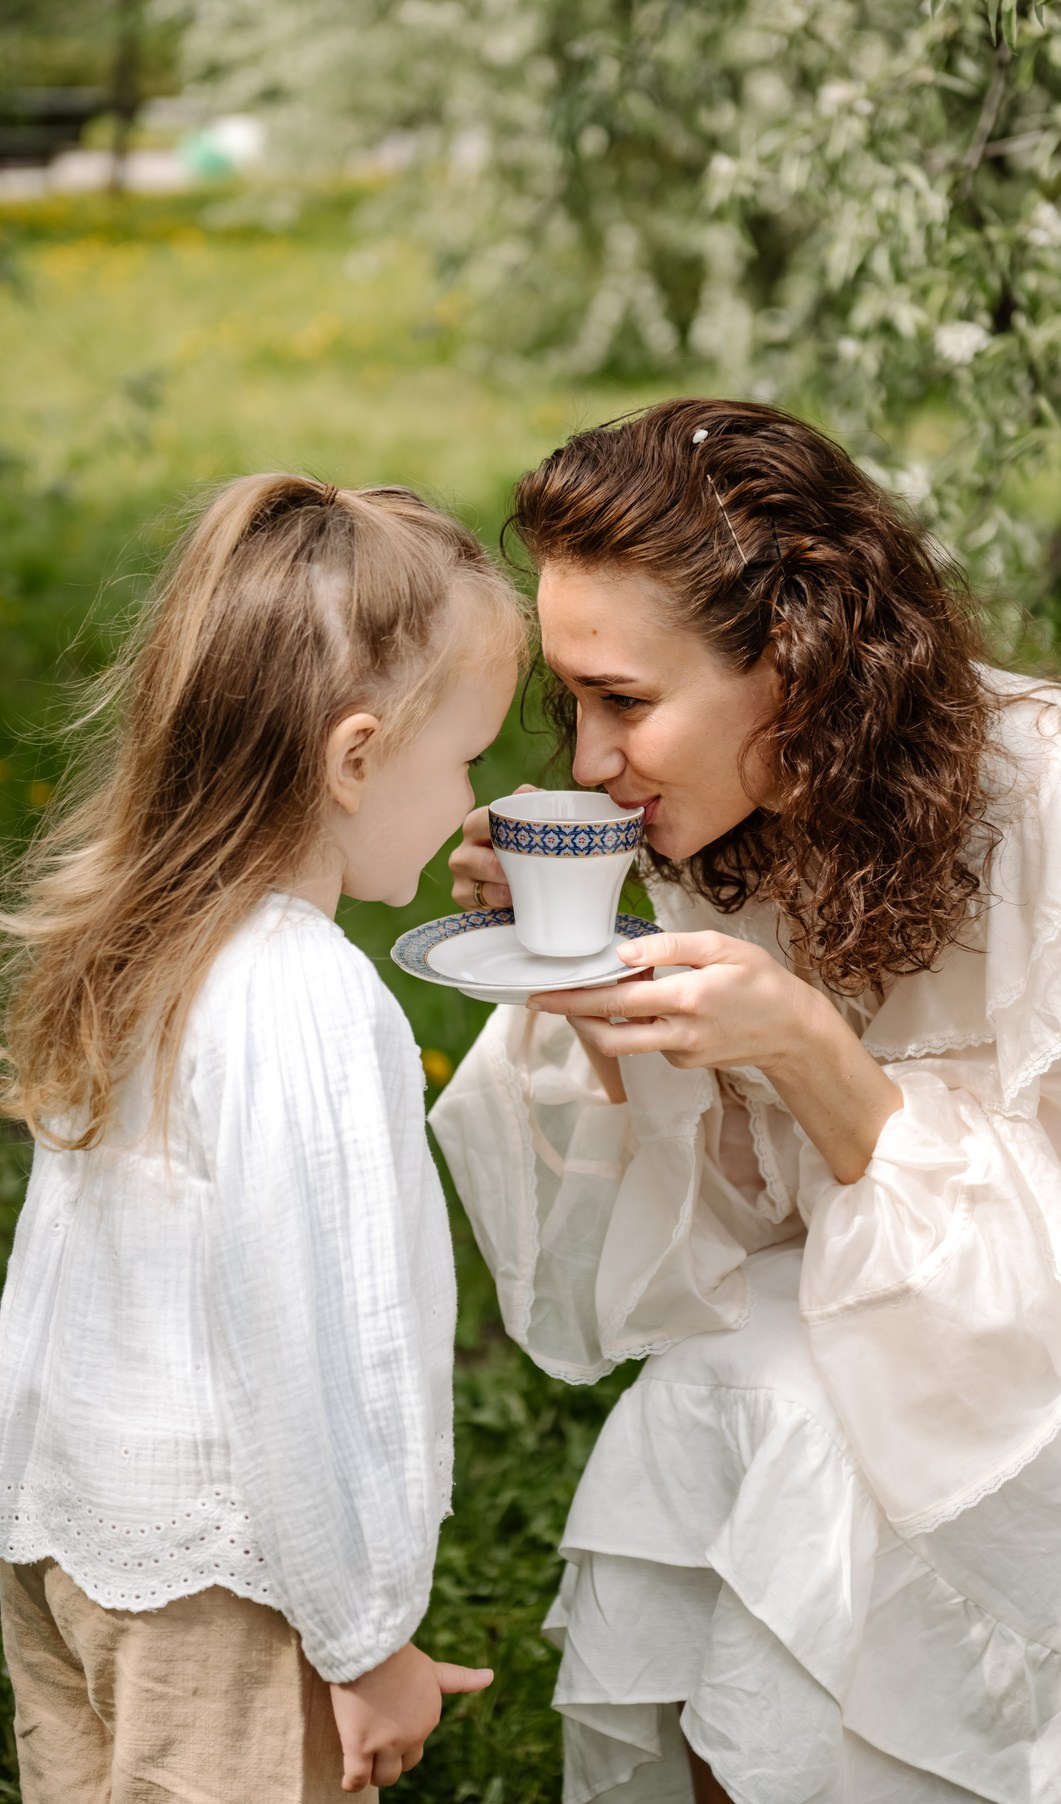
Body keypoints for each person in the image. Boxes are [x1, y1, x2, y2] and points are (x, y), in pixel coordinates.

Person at [434, 399, 1061, 1804]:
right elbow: (727, 1233)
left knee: (800, 1428)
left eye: (626, 701)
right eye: (576, 703)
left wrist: (808, 1052)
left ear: (793, 668)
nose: (590, 763)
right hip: (923, 1291)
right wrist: (596, 972)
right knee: (715, 1386)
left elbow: (1047, 1301)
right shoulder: (744, 809)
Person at [0, 475, 526, 1802]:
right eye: (466, 756)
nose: (472, 795)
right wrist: (365, 1642)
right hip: (227, 1586)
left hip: (73, 1539)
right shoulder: (304, 990)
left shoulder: (155, 936)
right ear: (355, 758)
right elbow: (304, 1340)